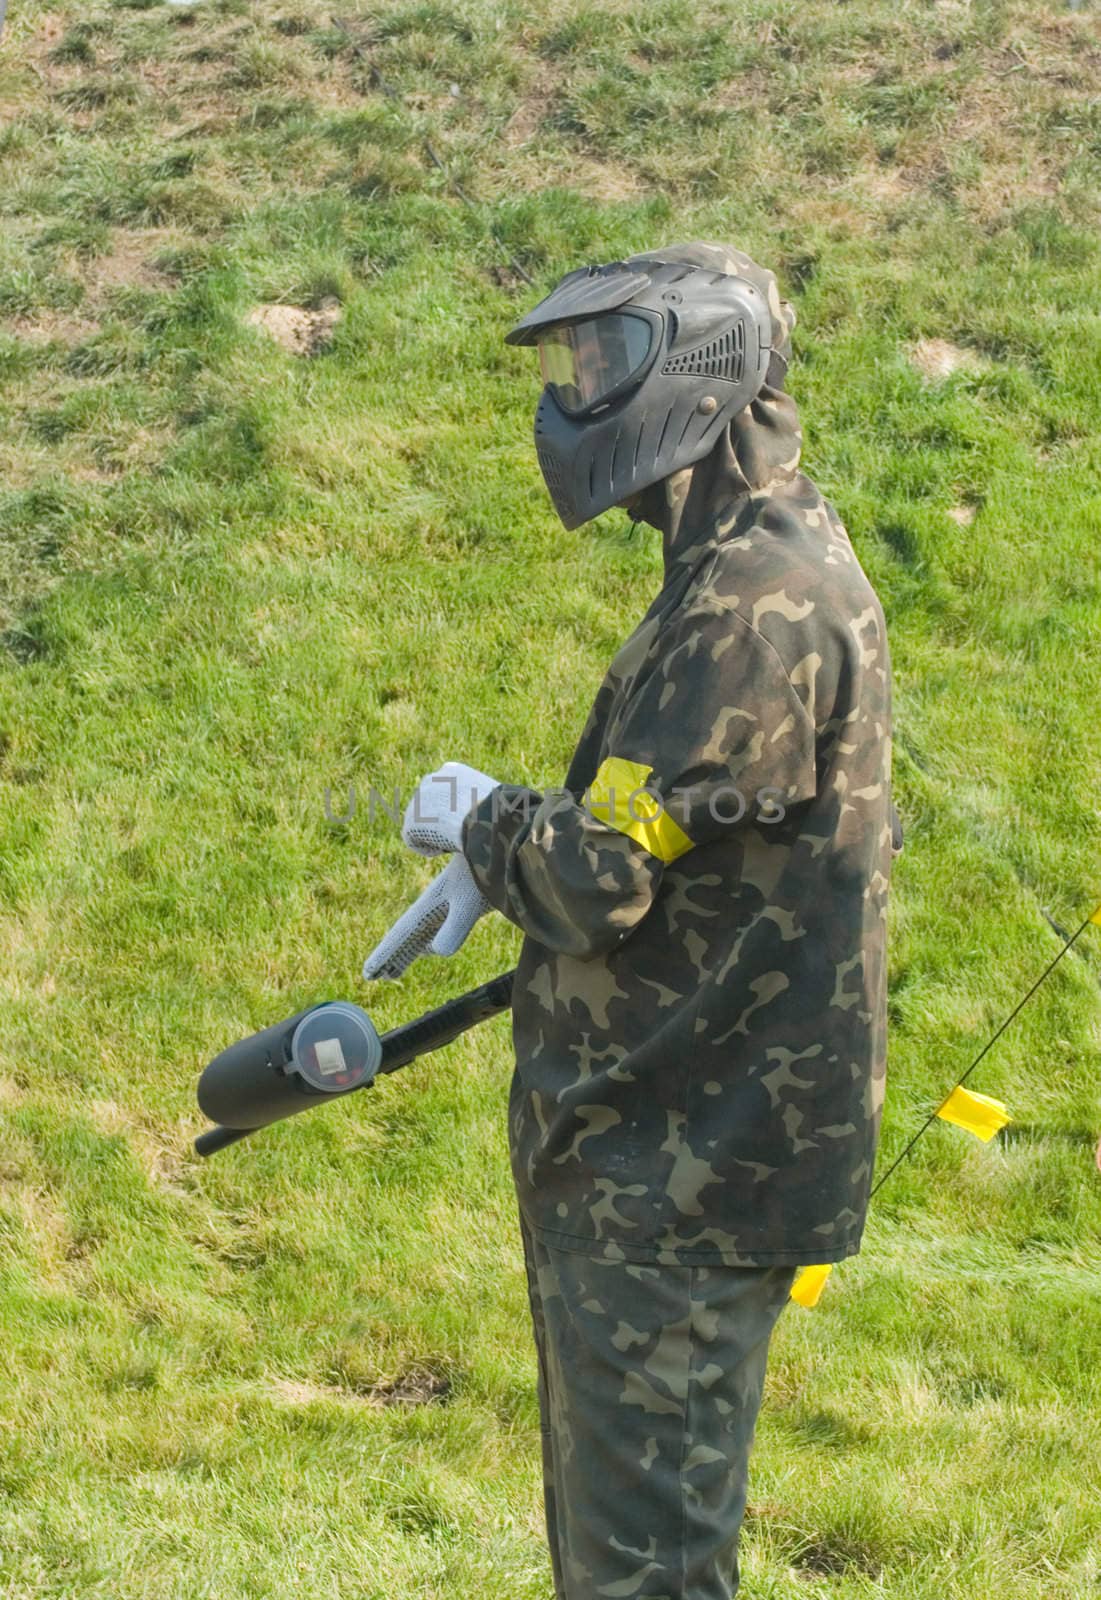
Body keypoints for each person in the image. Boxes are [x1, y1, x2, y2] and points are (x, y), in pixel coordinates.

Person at [364, 241, 895, 1599]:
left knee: (642, 1572)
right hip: (661, 1151)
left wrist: (483, 823)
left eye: (601, 364)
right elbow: (661, 823)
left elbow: (600, 873)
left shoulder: (754, 598)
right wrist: (508, 860)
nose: (572, 395)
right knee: (628, 1554)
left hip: (683, 1163)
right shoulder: (739, 556)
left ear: (700, 372)